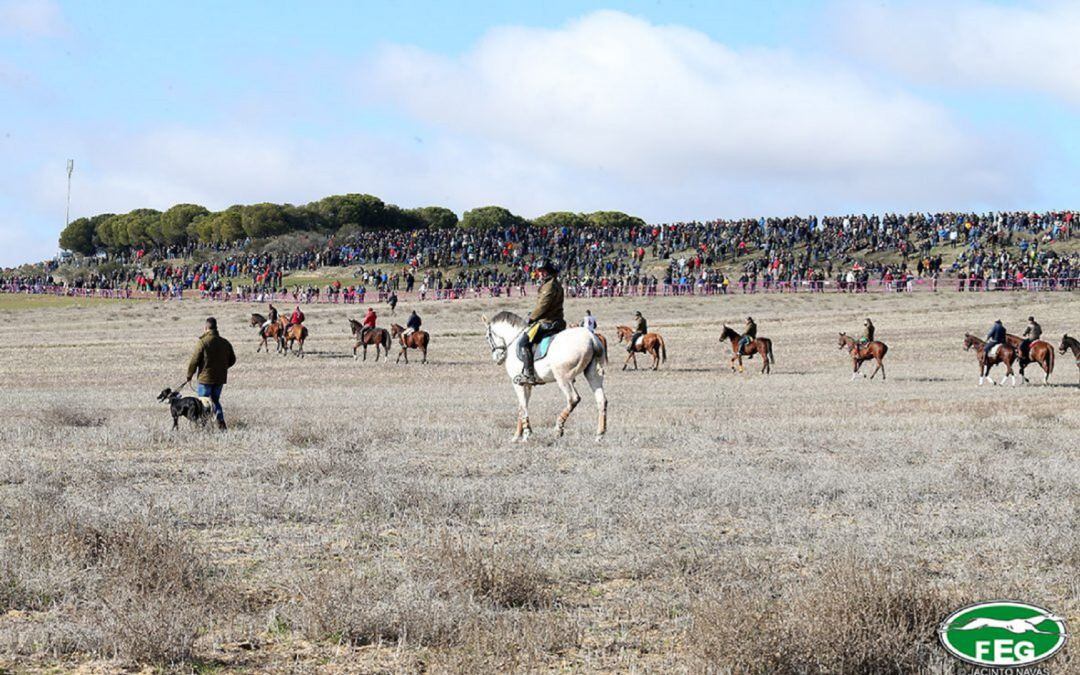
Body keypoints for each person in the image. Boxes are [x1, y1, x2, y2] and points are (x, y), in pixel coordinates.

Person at [514, 260, 565, 385]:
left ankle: (529, 375)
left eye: (542, 271)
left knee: (523, 342)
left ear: (548, 271)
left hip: (547, 322)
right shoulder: (557, 284)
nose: (540, 274)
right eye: (539, 271)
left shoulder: (549, 286)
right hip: (559, 321)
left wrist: (531, 318)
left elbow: (543, 305)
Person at [185, 317, 236, 430]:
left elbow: (194, 360)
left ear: (206, 328)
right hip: (220, 378)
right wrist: (222, 368)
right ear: (216, 328)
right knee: (215, 401)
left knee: (203, 402)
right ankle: (221, 425)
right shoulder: (225, 342)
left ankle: (202, 426)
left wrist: (189, 375)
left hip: (205, 378)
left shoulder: (203, 342)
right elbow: (232, 359)